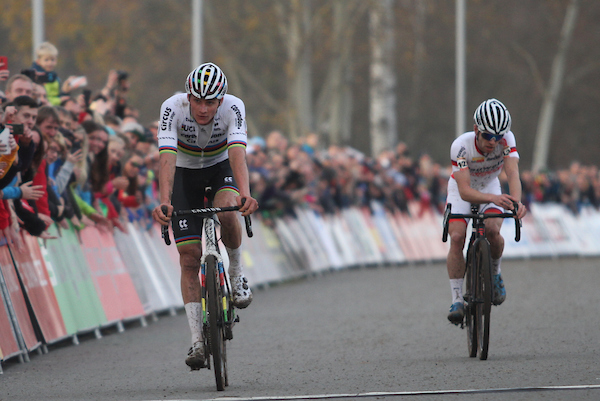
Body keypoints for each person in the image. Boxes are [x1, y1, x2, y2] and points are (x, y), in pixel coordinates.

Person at [152, 62, 259, 370]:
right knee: (188, 257)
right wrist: (164, 202)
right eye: (196, 100)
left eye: (209, 101)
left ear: (221, 99)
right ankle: (197, 340)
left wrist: (245, 193)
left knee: (228, 209)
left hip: (220, 167)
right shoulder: (172, 108)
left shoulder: (233, 107)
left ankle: (237, 273)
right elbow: (167, 157)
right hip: (184, 173)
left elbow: (238, 152)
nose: (202, 108)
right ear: (188, 96)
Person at [445, 98, 527, 325]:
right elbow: (464, 191)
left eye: (498, 137)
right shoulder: (461, 146)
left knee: (492, 230)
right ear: (476, 131)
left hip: (491, 185)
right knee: (457, 237)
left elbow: (512, 174)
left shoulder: (507, 140)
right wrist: (495, 198)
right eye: (488, 136)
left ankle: (495, 273)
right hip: (464, 188)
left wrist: (516, 202)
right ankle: (457, 299)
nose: (494, 142)